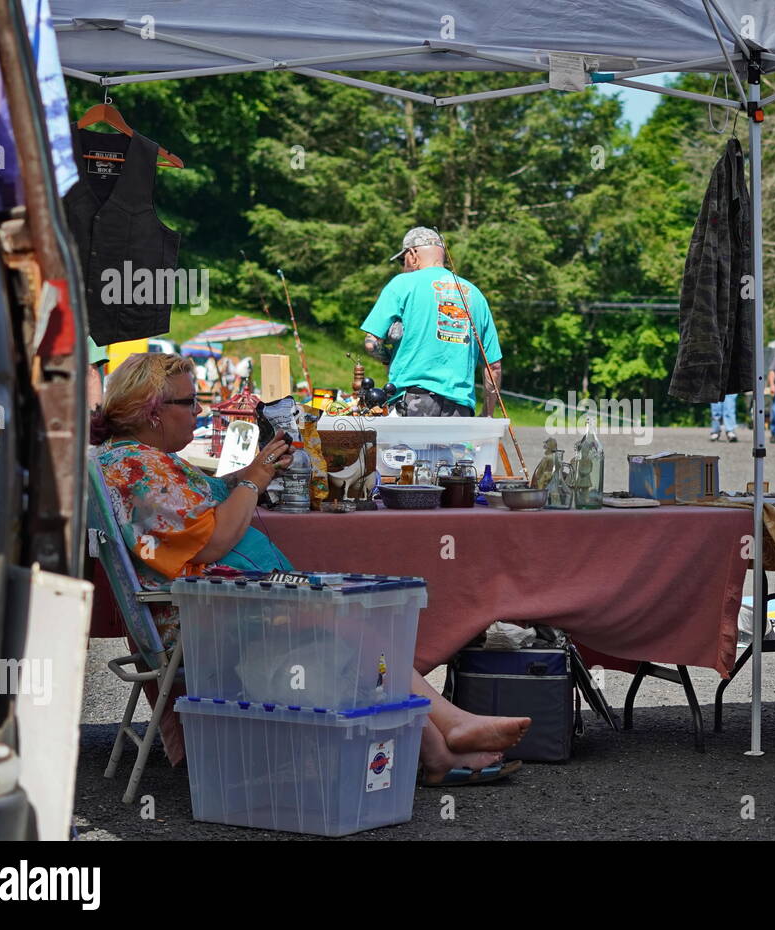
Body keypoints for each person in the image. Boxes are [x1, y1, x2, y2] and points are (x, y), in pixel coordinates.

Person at [91, 353, 530, 786]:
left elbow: (207, 498)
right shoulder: (139, 469)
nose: (199, 411)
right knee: (345, 615)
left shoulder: (134, 459)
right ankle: (449, 728)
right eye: (188, 403)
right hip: (206, 619)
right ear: (151, 412)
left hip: (208, 608)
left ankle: (438, 748)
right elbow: (215, 540)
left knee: (344, 617)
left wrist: (253, 470)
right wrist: (255, 479)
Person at [361, 227, 502, 417]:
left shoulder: (402, 283)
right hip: (460, 410)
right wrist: (487, 414)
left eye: (403, 261)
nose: (404, 267)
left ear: (412, 254)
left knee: (404, 448)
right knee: (451, 449)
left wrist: (387, 357)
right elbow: (493, 367)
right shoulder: (475, 294)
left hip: (412, 403)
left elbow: (371, 343)